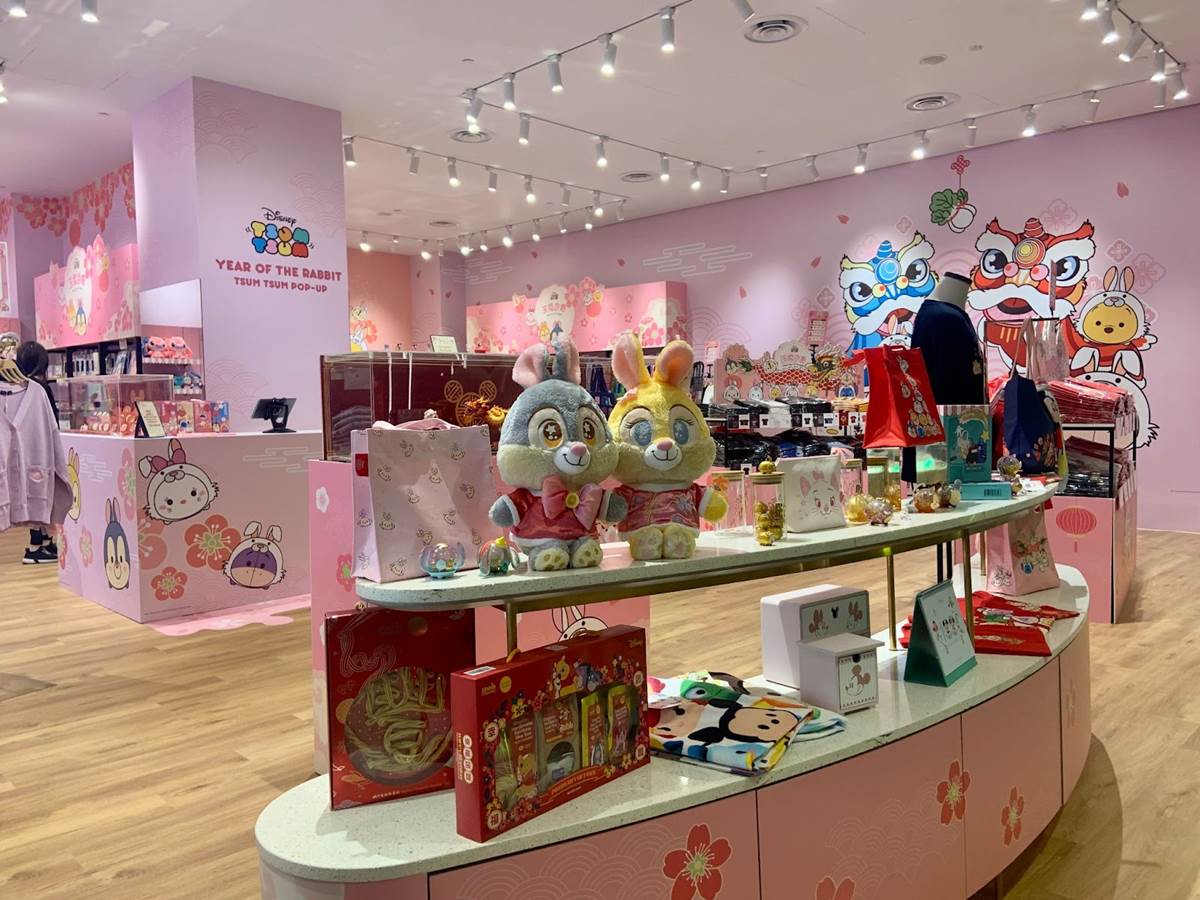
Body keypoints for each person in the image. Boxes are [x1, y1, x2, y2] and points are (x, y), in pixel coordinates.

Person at [15, 341, 59, 564]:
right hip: (42, 449)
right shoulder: (40, 389)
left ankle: (42, 543)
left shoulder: (18, 388)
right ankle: (38, 547)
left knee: (34, 496)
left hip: (22, 450)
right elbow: (52, 419)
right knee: (44, 496)